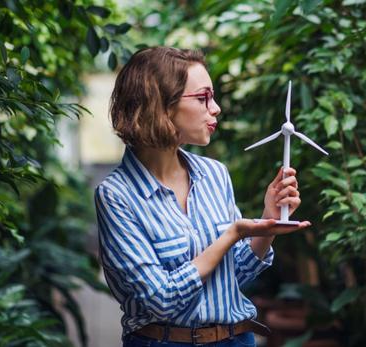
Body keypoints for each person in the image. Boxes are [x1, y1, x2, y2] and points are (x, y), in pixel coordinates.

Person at [94, 46, 311, 347]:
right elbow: (160, 299)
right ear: (161, 105)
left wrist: (268, 218)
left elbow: (234, 275)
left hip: (236, 339)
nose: (216, 108)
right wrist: (232, 234)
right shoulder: (117, 196)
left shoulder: (215, 174)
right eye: (203, 97)